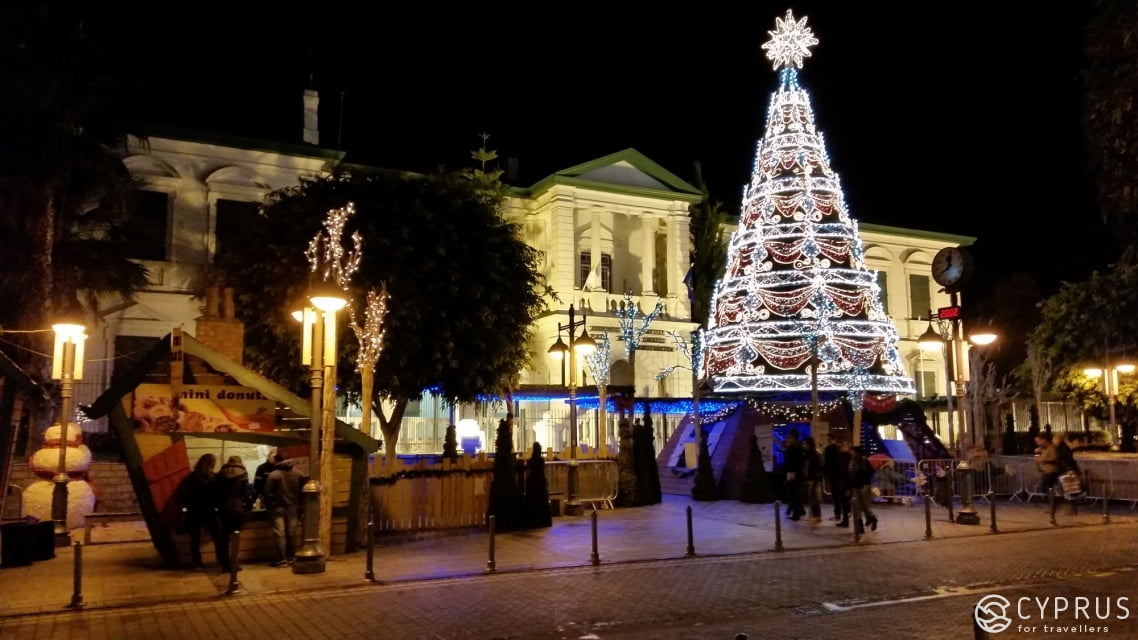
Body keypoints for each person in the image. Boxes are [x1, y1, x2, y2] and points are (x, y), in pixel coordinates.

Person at [179, 453, 223, 570]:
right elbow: (218, 494)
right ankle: (222, 560)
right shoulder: (212, 477)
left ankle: (197, 562)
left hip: (195, 511)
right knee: (218, 536)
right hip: (208, 511)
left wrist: (187, 507)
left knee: (195, 539)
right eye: (213, 463)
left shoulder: (192, 477)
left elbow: (184, 495)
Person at [264, 452, 304, 567]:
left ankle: (282, 559)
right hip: (293, 507)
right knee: (291, 533)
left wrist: (269, 505)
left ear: (277, 461)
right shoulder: (299, 474)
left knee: (280, 534)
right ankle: (292, 557)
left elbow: (267, 493)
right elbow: (302, 492)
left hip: (277, 508)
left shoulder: (274, 475)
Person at [213, 455, 250, 573]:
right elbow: (247, 492)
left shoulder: (219, 474)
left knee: (224, 538)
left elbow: (215, 492)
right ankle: (234, 563)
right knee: (236, 537)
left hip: (223, 509)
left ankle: (225, 564)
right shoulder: (243, 474)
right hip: (237, 509)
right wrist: (247, 506)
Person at [848, 446, 877, 533]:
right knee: (856, 507)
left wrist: (866, 484)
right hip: (855, 486)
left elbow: (869, 473)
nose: (852, 453)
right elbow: (850, 474)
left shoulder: (864, 461)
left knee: (865, 507)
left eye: (853, 452)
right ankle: (860, 526)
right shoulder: (851, 461)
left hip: (864, 486)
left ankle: (873, 519)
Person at [781, 430, 804, 520]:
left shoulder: (795, 448)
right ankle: (797, 511)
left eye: (789, 437)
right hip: (794, 473)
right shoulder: (794, 448)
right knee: (794, 494)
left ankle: (796, 513)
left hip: (793, 473)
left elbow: (792, 463)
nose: (788, 439)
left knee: (794, 494)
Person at [822, 434, 845, 521]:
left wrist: (825, 472)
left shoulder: (830, 449)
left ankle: (838, 514)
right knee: (839, 496)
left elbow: (827, 463)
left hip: (834, 475)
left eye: (829, 439)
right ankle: (843, 513)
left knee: (836, 496)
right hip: (837, 475)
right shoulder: (837, 449)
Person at [801, 437, 824, 522]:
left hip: (814, 478)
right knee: (811, 496)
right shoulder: (805, 454)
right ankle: (813, 515)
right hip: (809, 477)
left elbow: (817, 467)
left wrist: (817, 477)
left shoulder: (814, 454)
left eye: (805, 444)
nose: (804, 445)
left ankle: (817, 515)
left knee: (813, 496)